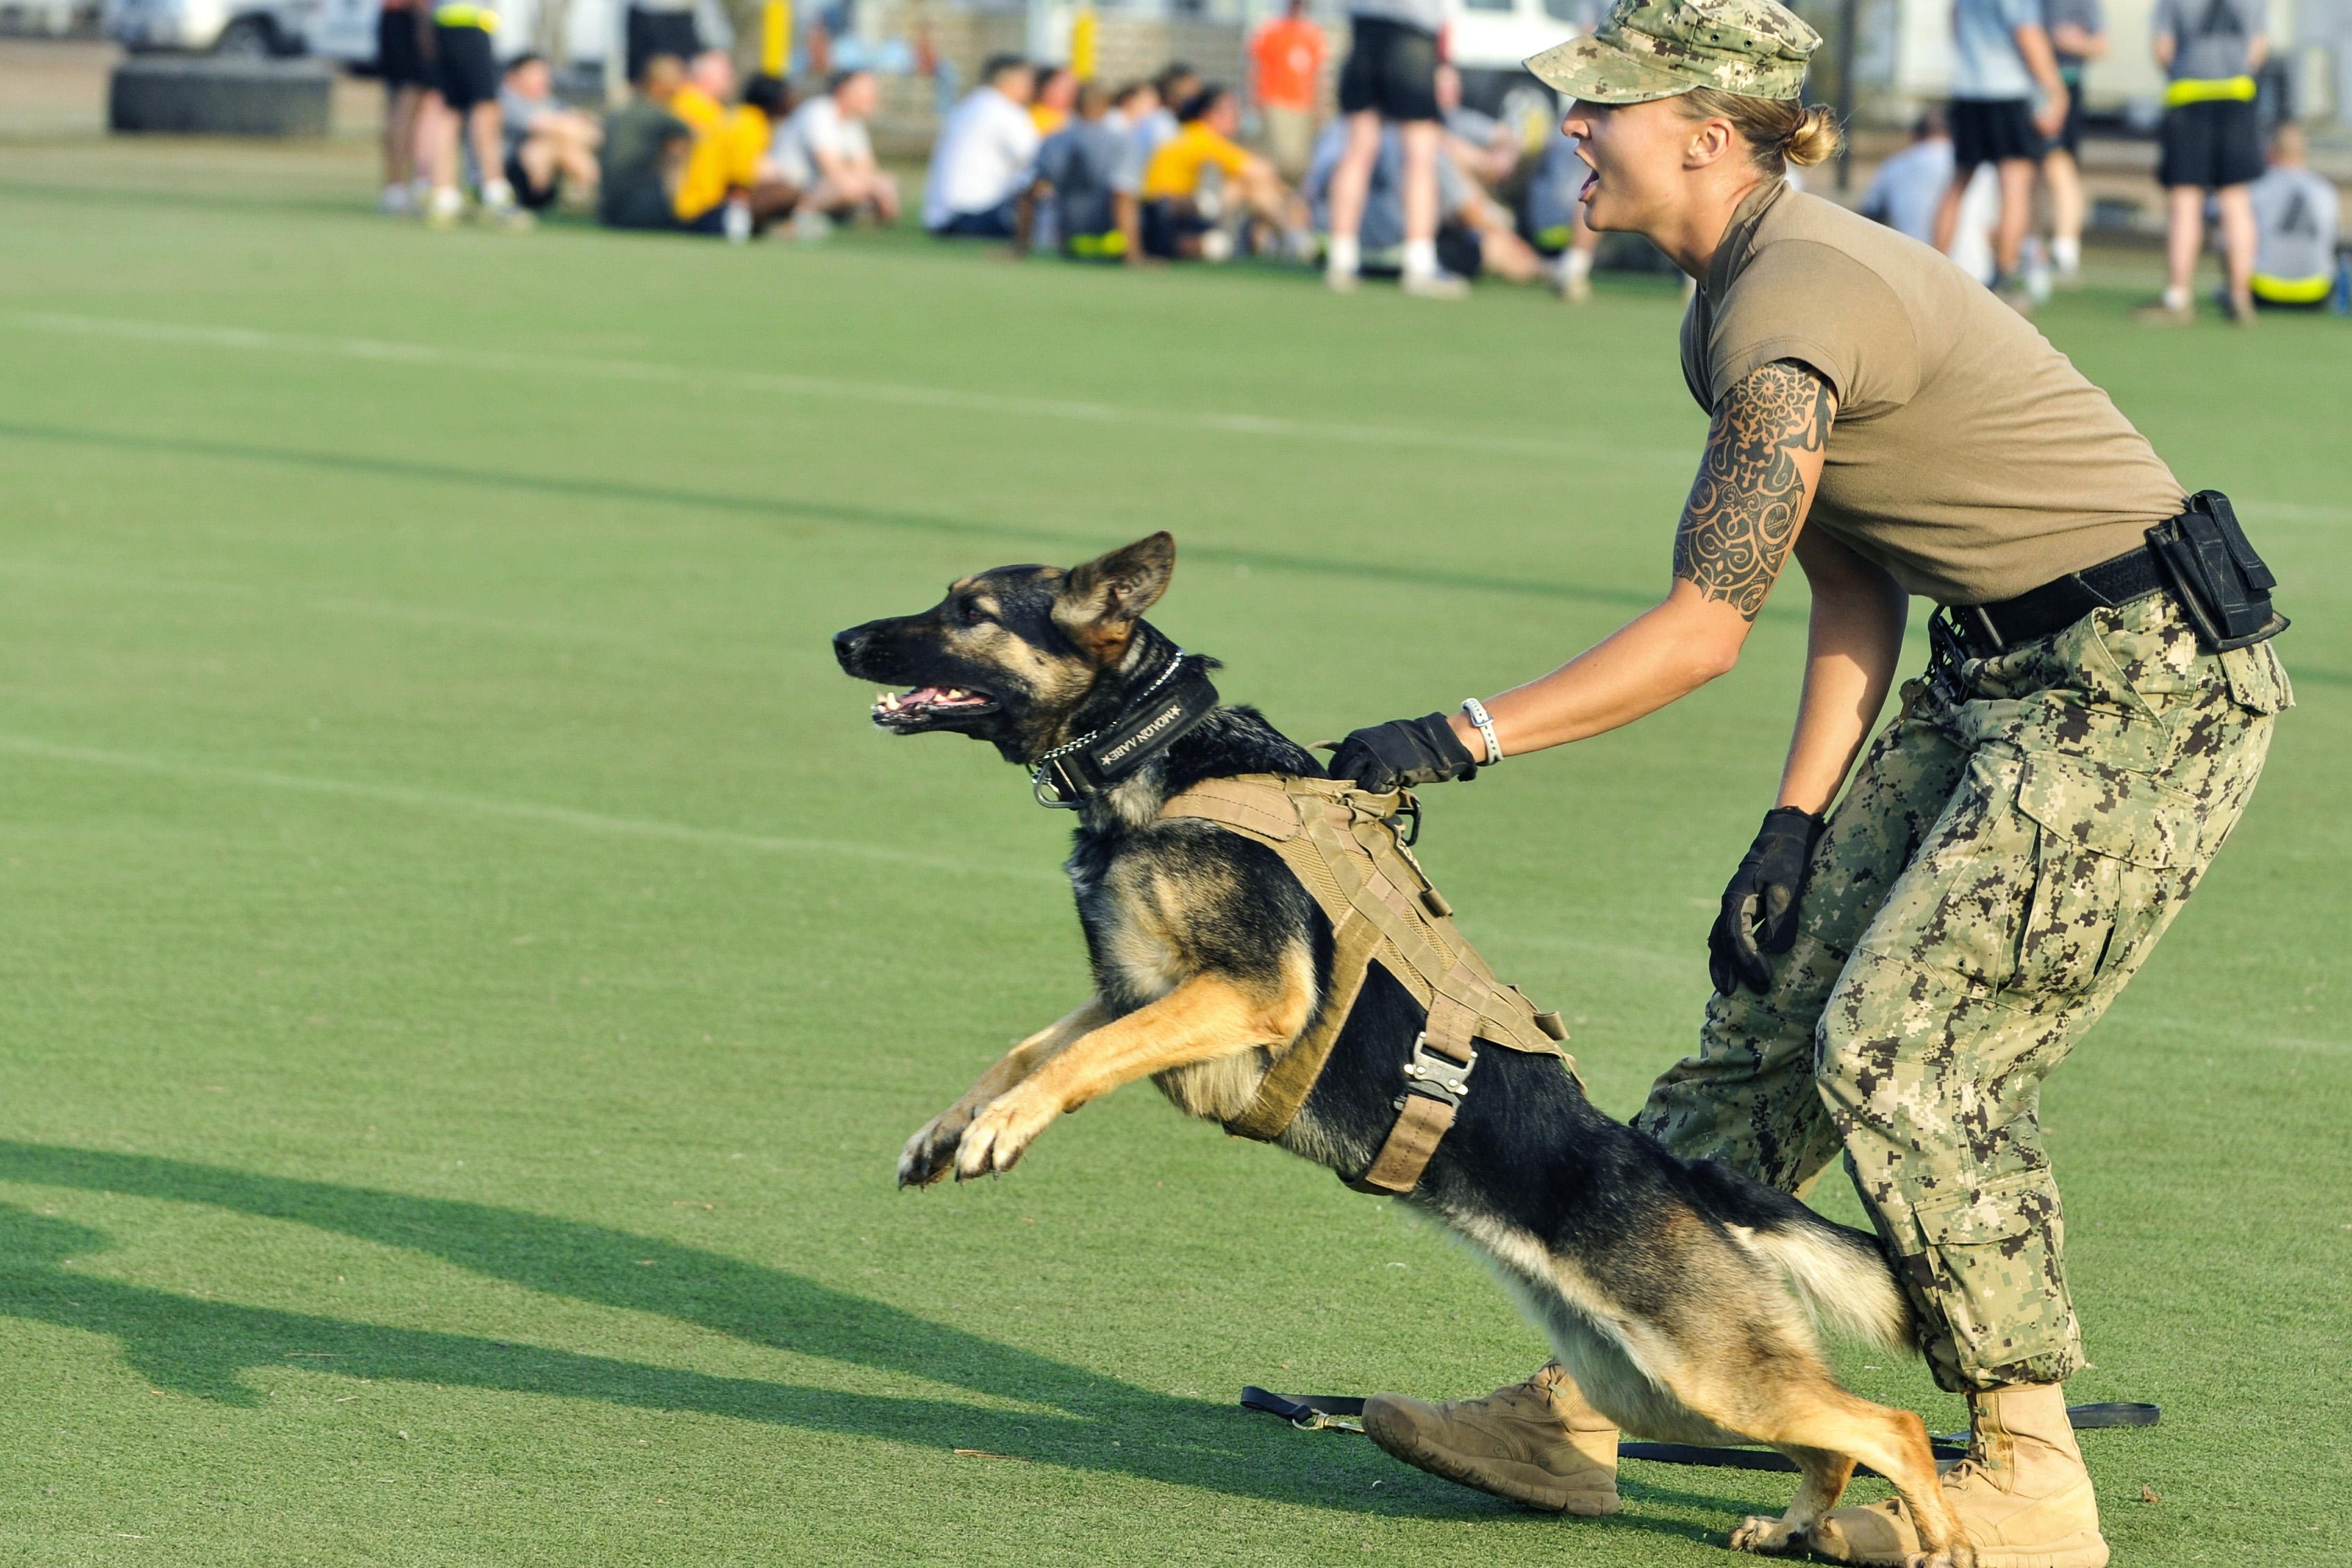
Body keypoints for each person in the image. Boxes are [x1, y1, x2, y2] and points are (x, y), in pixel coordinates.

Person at [1325, 3, 2287, 1565]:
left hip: (2141, 691)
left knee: (1903, 1050)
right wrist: (1791, 822)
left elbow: (1703, 629)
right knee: (1763, 1027)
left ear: (1707, 136)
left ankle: (2032, 1479)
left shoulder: (1787, 306)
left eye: (1604, 106)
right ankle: (1584, 1405)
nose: (1572, 130)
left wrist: (1460, 732)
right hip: (2002, 671)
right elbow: (1854, 579)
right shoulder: (1729, 300)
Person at [2137, 0, 2269, 323]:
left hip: (2189, 99)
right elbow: (2258, 48)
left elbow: (2163, 48)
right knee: (2236, 200)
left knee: (2186, 201)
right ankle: (2241, 296)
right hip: (2237, 98)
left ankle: (2178, 297)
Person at [1933, 0, 2069, 303]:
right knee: (2015, 187)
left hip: (1968, 89)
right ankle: (2003, 278)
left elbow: (1955, 19)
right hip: (2009, 91)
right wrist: (2055, 90)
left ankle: (1929, 269)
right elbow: (2027, 33)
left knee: (1958, 183)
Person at [1323, 0, 1460, 295]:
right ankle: (1420, 265)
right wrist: (1445, 62)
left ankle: (1340, 259)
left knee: (1357, 151)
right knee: (1420, 158)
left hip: (1363, 33)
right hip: (1412, 36)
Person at [1139, 85, 1311, 261]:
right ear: (1209, 114)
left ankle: (1291, 238)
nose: (1236, 117)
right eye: (1230, 111)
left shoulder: (1189, 133)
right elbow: (1260, 170)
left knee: (1250, 186)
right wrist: (1291, 196)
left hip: (1174, 211)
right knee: (1247, 184)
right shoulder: (1203, 136)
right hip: (1168, 214)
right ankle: (1295, 239)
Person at [421, 0, 528, 228]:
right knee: (485, 110)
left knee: (450, 112)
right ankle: (495, 194)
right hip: (470, 25)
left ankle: (444, 197)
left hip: (444, 25)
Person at [1018, 81, 1145, 262]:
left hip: (1068, 244)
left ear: (1074, 105)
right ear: (1107, 107)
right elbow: (1122, 196)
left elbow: (1029, 192)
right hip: (1110, 247)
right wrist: (1134, 255)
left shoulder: (1055, 141)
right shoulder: (1122, 143)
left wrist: (1020, 247)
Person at [923, 55, 1041, 238]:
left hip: (943, 217)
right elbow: (1040, 162)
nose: (1033, 87)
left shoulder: (970, 104)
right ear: (1008, 80)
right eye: (1028, 80)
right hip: (975, 215)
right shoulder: (1006, 110)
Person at [771, 67, 900, 234]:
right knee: (847, 187)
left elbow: (868, 169)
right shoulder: (819, 112)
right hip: (784, 189)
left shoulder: (852, 123)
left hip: (813, 188)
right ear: (843, 90)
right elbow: (832, 170)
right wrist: (869, 187)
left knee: (883, 183)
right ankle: (798, 220)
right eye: (865, 90)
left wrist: (878, 187)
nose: (873, 96)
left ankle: (818, 217)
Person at [672, 70, 797, 236]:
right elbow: (738, 177)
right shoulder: (752, 123)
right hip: (709, 210)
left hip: (692, 207)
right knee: (787, 192)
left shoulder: (737, 116)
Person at [2244, 121, 2341, 310]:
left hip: (2264, 290)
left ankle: (2237, 295)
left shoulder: (2256, 187)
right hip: (2317, 292)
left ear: (2270, 151)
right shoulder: (2326, 190)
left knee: (2233, 230)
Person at [2041, 0, 2105, 283]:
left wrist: (2070, 42)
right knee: (2027, 171)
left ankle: (2064, 249)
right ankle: (2029, 248)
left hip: (2062, 86)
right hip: (2028, 86)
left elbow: (2102, 44)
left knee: (2058, 162)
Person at [598, 54, 694, 230]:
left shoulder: (627, 108)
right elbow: (698, 134)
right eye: (676, 79)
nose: (681, 85)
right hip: (637, 207)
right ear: (659, 83)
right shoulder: (656, 114)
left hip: (609, 209)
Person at [498, 51, 600, 212]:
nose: (544, 79)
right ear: (513, 76)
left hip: (539, 170)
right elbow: (548, 125)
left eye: (545, 74)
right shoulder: (505, 100)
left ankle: (588, 196)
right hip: (507, 173)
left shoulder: (548, 101)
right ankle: (591, 195)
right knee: (545, 144)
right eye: (535, 73)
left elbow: (589, 129)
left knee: (564, 145)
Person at [1250, 0, 1327, 182]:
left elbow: (1318, 72)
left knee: (1300, 160)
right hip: (1277, 100)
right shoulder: (1271, 31)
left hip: (1304, 104)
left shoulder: (1312, 33)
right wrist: (1257, 97)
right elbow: (1258, 66)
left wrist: (1320, 102)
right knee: (1281, 157)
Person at [1858, 106, 1956, 244]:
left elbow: (1869, 215)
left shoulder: (1894, 165)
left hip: (1910, 253)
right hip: (1969, 257)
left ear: (1915, 134)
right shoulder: (1975, 169)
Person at [375, 0, 435, 214]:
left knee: (400, 109)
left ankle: (399, 187)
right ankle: (401, 188)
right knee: (406, 108)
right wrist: (425, 31)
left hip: (394, 20)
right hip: (408, 21)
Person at [1030, 63, 1078, 137]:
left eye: (1070, 90)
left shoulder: (1073, 122)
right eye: (1060, 86)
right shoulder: (1026, 115)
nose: (1059, 93)